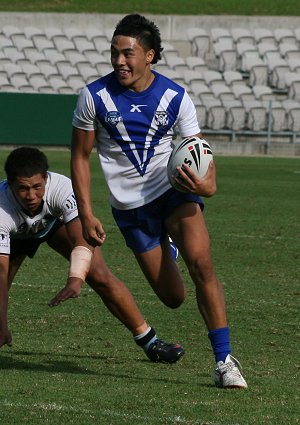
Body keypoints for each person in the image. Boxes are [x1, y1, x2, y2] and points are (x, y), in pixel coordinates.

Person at [70, 14, 247, 388]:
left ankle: (224, 362)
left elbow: (200, 151)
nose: (119, 61)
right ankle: (168, 244)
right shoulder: (93, 97)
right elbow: (79, 158)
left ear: (149, 55)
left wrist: (208, 187)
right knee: (173, 297)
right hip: (131, 210)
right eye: (115, 53)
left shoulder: (176, 97)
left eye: (128, 53)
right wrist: (86, 212)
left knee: (202, 263)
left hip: (174, 193)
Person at [0, 146, 185, 363]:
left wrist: (76, 279)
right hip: (14, 236)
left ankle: (150, 342)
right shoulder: (2, 210)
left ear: (46, 179)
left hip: (52, 226)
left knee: (99, 274)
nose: (31, 195)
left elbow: (82, 240)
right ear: (10, 185)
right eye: (22, 189)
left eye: (37, 187)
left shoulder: (62, 188)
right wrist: (2, 325)